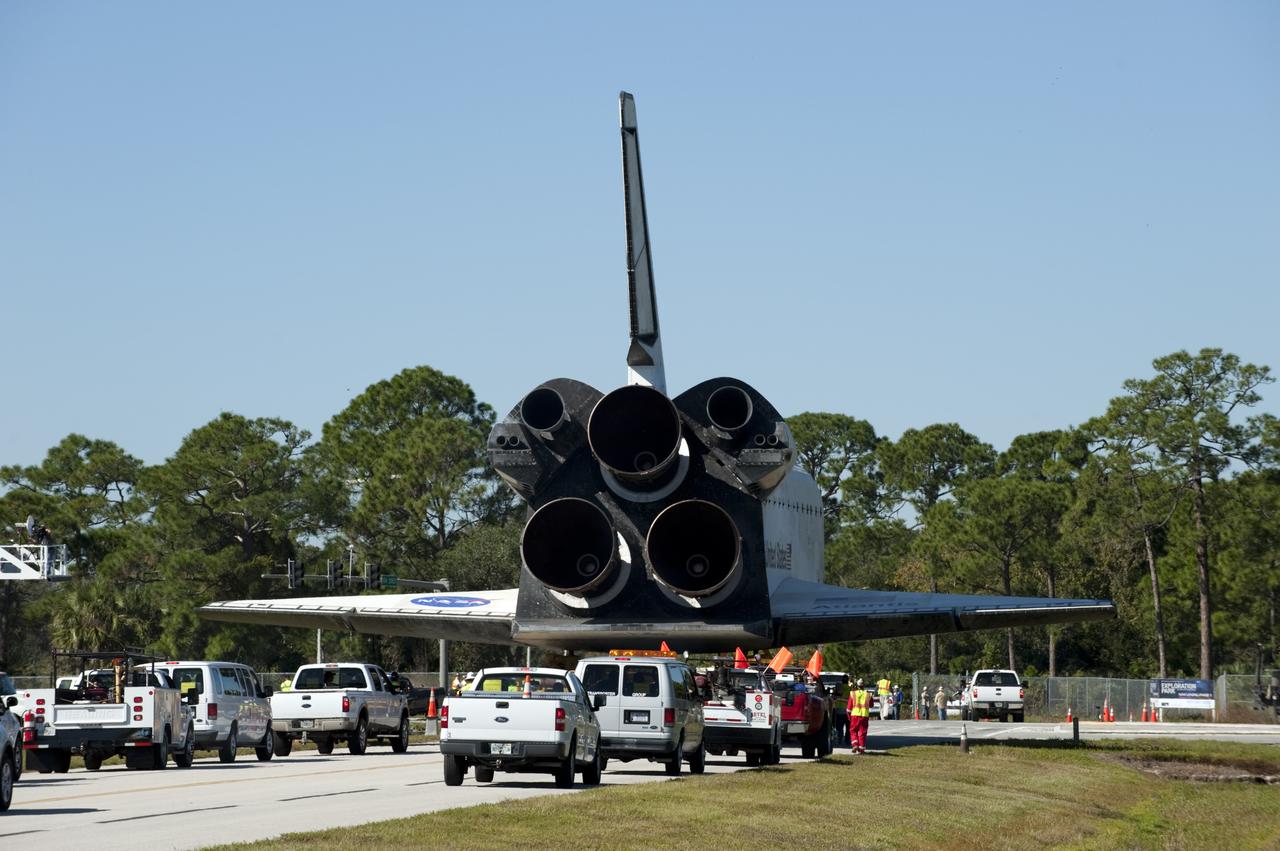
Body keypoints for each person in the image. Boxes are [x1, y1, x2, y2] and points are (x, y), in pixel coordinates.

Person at [848, 678, 871, 754]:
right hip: (864, 715)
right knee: (862, 732)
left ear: (857, 686)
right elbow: (871, 705)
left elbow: (849, 708)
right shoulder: (868, 694)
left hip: (854, 715)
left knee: (853, 730)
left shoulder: (852, 693)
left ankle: (855, 745)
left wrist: (849, 716)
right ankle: (861, 749)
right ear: (863, 686)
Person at [832, 675, 850, 745]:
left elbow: (833, 697)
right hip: (848, 710)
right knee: (848, 727)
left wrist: (838, 698)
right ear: (848, 680)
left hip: (838, 710)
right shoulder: (849, 688)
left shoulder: (837, 688)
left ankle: (839, 740)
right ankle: (847, 740)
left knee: (839, 727)